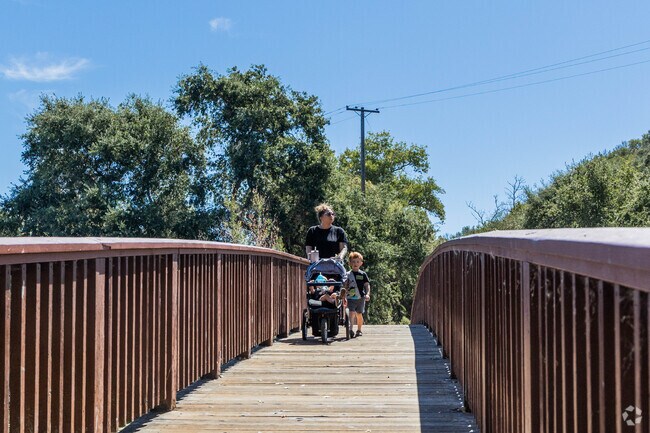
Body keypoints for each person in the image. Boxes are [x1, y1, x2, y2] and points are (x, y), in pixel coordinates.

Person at [345, 251, 371, 338]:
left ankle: (359, 330)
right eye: (353, 261)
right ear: (350, 263)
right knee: (351, 312)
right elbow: (345, 285)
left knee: (359, 314)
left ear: (361, 263)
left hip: (361, 297)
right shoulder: (348, 274)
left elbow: (367, 285)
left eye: (357, 262)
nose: (355, 264)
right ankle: (350, 329)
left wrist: (367, 294)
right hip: (351, 297)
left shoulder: (363, 274)